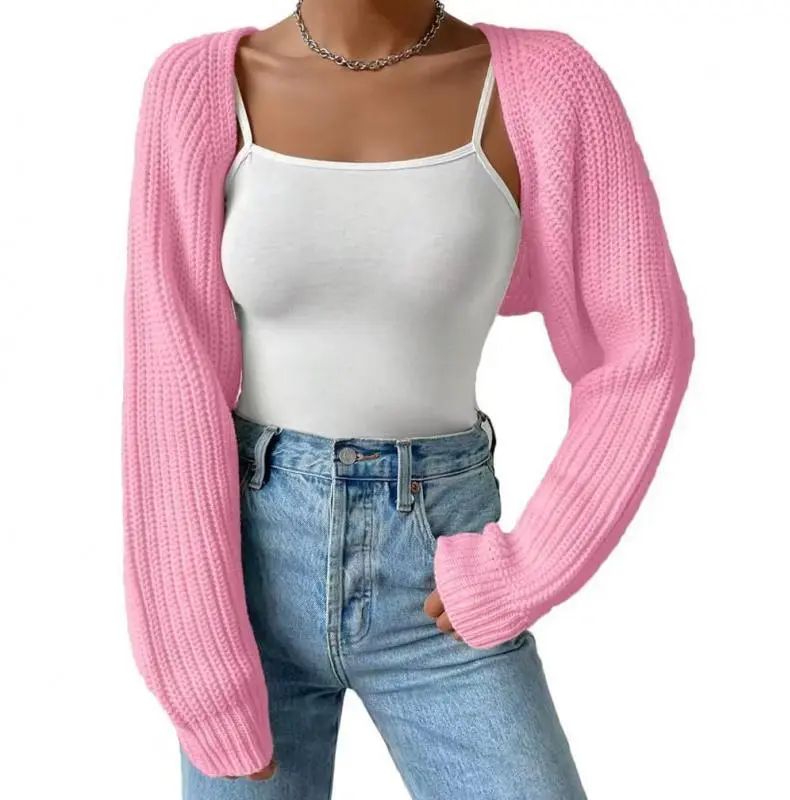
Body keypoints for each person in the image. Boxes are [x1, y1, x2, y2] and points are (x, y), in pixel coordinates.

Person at [121, 1, 695, 797]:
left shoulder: (544, 84)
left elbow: (642, 349)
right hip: (241, 580)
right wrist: (199, 665)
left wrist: (530, 566)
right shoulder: (198, 86)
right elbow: (169, 378)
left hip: (435, 573)